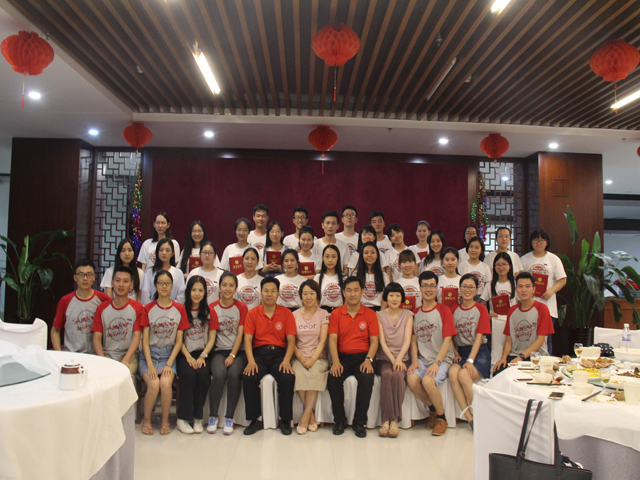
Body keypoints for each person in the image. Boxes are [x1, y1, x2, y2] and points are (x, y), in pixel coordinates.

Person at [242, 277, 297, 436]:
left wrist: (287, 360)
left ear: (278, 294)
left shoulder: (286, 313)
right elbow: (247, 339)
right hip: (259, 354)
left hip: (279, 354)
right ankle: (255, 420)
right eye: (266, 291)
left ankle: (285, 420)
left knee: (287, 377)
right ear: (261, 293)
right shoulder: (253, 313)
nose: (269, 294)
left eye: (273, 291)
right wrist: (251, 361)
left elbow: (291, 340)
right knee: (248, 376)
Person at [327, 276, 379, 438]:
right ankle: (339, 421)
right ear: (343, 293)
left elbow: (374, 341)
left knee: (367, 377)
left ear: (362, 292)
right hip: (343, 357)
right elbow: (332, 340)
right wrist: (335, 362)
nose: (352, 294)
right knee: (333, 377)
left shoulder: (370, 314)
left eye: (356, 290)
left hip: (364, 357)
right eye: (348, 290)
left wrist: (369, 360)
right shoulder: (336, 314)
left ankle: (359, 422)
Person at [140, 270, 189, 435]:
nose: (164, 286)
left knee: (165, 384)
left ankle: (165, 421)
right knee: (153, 384)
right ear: (155, 285)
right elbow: (145, 340)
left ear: (172, 286)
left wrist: (169, 363)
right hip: (149, 354)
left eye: (167, 283)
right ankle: (146, 420)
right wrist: (150, 365)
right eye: (160, 283)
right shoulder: (148, 308)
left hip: (169, 355)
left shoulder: (179, 309)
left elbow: (179, 341)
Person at [407, 271, 457, 437]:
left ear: (437, 289)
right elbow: (413, 340)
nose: (428, 289)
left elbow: (448, 339)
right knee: (412, 379)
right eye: (425, 286)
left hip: (442, 359)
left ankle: (442, 418)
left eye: (431, 286)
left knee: (428, 381)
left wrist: (437, 363)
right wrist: (415, 360)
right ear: (420, 288)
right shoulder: (415, 313)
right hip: (423, 359)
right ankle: (433, 409)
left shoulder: (444, 310)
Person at [449, 274, 492, 429]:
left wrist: (470, 361)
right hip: (460, 352)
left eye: (471, 287)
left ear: (477, 289)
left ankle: (481, 416)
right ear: (459, 288)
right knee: (452, 373)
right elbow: (449, 336)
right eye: (464, 287)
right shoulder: (453, 310)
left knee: (463, 374)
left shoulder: (481, 309)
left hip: (479, 353)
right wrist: (455, 353)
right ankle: (470, 418)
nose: (467, 290)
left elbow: (479, 337)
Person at [208, 272, 248, 435]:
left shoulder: (242, 307)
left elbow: (240, 334)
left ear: (236, 288)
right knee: (219, 375)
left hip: (238, 351)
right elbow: (212, 335)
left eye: (231, 285)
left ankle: (229, 417)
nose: (227, 289)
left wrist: (232, 355)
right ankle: (213, 416)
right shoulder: (212, 307)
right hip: (218, 351)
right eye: (224, 285)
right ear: (219, 287)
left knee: (234, 374)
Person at [176, 276, 217, 435]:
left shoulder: (210, 311)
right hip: (184, 352)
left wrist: (202, 356)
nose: (197, 293)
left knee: (203, 376)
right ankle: (182, 418)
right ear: (188, 291)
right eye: (194, 290)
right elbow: (179, 340)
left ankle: (198, 417)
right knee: (188, 375)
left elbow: (212, 338)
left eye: (200, 290)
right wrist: (188, 357)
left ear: (205, 292)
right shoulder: (181, 310)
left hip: (203, 353)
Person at [493, 272, 554, 375]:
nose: (524, 290)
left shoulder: (542, 309)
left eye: (527, 286)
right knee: (498, 373)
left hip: (535, 357)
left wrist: (521, 357)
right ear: (516, 289)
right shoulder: (512, 310)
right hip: (514, 356)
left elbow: (540, 341)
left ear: (534, 289)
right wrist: (503, 358)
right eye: (520, 286)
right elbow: (509, 340)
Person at [92, 266, 144, 381]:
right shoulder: (101, 308)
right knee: (103, 378)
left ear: (131, 285)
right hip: (107, 354)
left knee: (126, 377)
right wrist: (102, 359)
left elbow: (136, 336)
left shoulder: (137, 308)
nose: (121, 284)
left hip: (129, 355)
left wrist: (126, 359)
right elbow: (97, 338)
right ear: (112, 283)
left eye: (125, 281)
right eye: (117, 280)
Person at [375, 283, 413, 438]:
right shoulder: (379, 315)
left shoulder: (408, 315)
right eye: (391, 295)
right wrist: (393, 360)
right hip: (384, 358)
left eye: (398, 295)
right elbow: (382, 342)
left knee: (398, 375)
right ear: (386, 297)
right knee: (387, 374)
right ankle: (385, 420)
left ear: (402, 298)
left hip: (403, 358)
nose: (394, 298)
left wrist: (399, 359)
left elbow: (407, 340)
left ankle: (395, 420)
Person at [292, 280, 330, 434]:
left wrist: (313, 360)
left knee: (314, 374)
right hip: (299, 357)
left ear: (317, 295)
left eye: (311, 293)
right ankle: (311, 416)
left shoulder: (323, 314)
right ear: (301, 296)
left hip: (318, 357)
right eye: (305, 294)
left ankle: (305, 416)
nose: (308, 297)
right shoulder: (294, 315)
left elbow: (323, 341)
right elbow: (292, 342)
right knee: (298, 374)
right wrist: (301, 358)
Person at [520, 229, 566, 354]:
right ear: (531, 242)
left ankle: (546, 362)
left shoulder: (553, 259)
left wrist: (551, 290)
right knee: (527, 336)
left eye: (542, 240)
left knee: (546, 338)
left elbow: (562, 280)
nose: (538, 242)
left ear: (547, 242)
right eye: (536, 239)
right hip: (528, 305)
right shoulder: (524, 259)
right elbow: (519, 280)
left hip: (547, 305)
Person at [51, 259, 110, 353]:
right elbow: (55, 330)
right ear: (75, 277)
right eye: (81, 275)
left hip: (97, 355)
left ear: (94, 277)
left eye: (89, 275)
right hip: (72, 355)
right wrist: (59, 354)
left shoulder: (104, 299)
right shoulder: (65, 301)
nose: (85, 278)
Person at [485, 253, 519, 366]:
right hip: (496, 323)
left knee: (512, 349)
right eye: (498, 265)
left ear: (510, 266)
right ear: (494, 267)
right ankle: (495, 369)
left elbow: (522, 303)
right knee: (497, 350)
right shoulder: (489, 285)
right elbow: (482, 304)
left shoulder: (516, 284)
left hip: (513, 322)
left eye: (504, 264)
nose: (501, 267)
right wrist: (489, 314)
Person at [141, 238, 186, 304]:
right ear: (157, 252)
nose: (164, 253)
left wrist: (171, 307)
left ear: (172, 253)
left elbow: (181, 295)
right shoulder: (149, 272)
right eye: (161, 250)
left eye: (167, 250)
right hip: (152, 308)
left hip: (173, 308)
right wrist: (152, 307)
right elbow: (145, 294)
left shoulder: (178, 273)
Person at [354, 241, 390, 311]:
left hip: (378, 311)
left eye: (373, 252)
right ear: (362, 255)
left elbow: (385, 298)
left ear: (377, 255)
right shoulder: (355, 275)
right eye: (366, 253)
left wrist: (380, 314)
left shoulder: (384, 276)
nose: (369, 255)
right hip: (360, 310)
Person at [458, 236, 492, 302]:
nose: (473, 250)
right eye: (471, 247)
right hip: (465, 298)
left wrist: (483, 302)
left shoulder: (485, 267)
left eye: (477, 247)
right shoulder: (461, 266)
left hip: (481, 299)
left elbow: (488, 287)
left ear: (481, 250)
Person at [314, 244, 346, 313]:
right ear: (323, 258)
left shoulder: (344, 278)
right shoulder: (317, 278)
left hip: (340, 313)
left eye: (334, 257)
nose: (330, 260)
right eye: (327, 256)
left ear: (338, 258)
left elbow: (346, 300)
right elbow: (315, 300)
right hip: (322, 313)